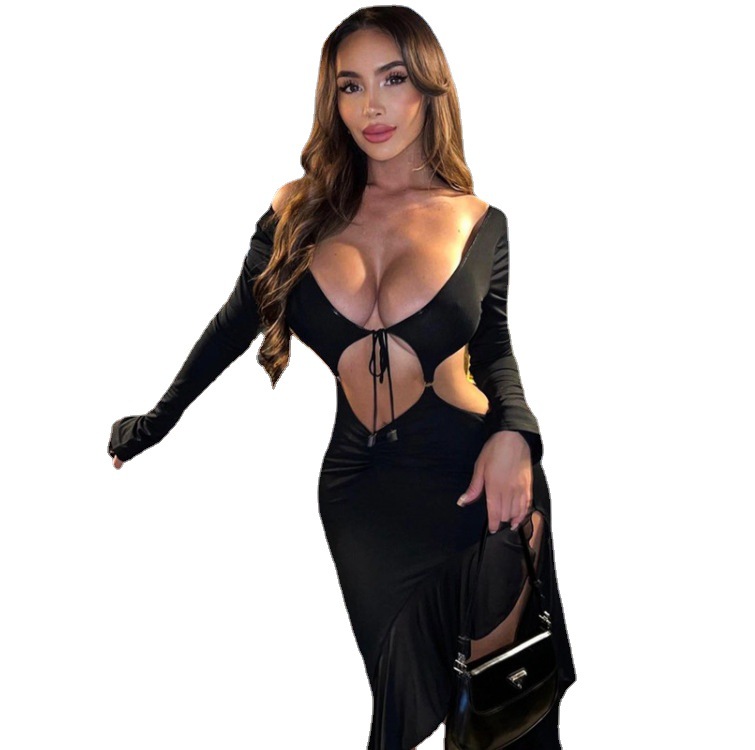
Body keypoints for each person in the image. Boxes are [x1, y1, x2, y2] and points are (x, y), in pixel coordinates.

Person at [107, 6, 576, 749]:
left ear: (430, 87)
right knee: (401, 709)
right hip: (362, 494)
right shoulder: (296, 212)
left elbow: (494, 349)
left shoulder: (479, 221)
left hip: (476, 477)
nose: (371, 107)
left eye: (393, 80)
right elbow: (234, 322)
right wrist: (154, 423)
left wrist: (518, 435)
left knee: (500, 716)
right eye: (350, 86)